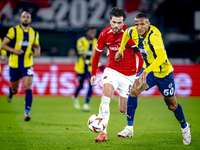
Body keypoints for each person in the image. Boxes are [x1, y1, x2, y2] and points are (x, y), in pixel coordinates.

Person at [115, 13, 191, 145]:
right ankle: (129, 128)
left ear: (148, 24)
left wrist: (147, 70)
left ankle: (184, 127)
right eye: (137, 24)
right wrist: (120, 50)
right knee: (133, 91)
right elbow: (126, 33)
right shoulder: (133, 31)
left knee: (172, 105)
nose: (139, 27)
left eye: (142, 24)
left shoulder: (154, 36)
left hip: (164, 74)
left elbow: (161, 58)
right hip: (149, 72)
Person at [90, 7, 143, 142]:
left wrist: (137, 75)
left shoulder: (129, 34)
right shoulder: (104, 34)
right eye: (114, 22)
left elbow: (139, 55)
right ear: (110, 21)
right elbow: (96, 55)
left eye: (119, 23)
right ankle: (103, 133)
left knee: (122, 110)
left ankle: (127, 125)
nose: (116, 26)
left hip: (128, 75)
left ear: (123, 22)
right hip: (112, 70)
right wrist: (93, 73)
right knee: (105, 95)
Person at [1, 11, 41, 121]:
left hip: (27, 64)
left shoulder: (34, 33)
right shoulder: (13, 31)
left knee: (28, 87)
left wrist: (38, 51)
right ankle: (11, 92)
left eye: (28, 17)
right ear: (20, 19)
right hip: (14, 64)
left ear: (30, 19)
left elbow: (37, 45)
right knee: (15, 90)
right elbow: (3, 45)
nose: (26, 19)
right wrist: (14, 50)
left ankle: (27, 112)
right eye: (24, 17)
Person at [72, 27, 98, 112]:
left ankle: (86, 104)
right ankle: (75, 97)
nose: (93, 33)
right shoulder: (81, 41)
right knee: (81, 86)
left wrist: (99, 64)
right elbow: (81, 53)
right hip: (81, 67)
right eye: (91, 31)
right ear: (87, 32)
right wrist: (86, 61)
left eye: (94, 32)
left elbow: (96, 55)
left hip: (90, 68)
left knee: (91, 84)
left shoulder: (96, 42)